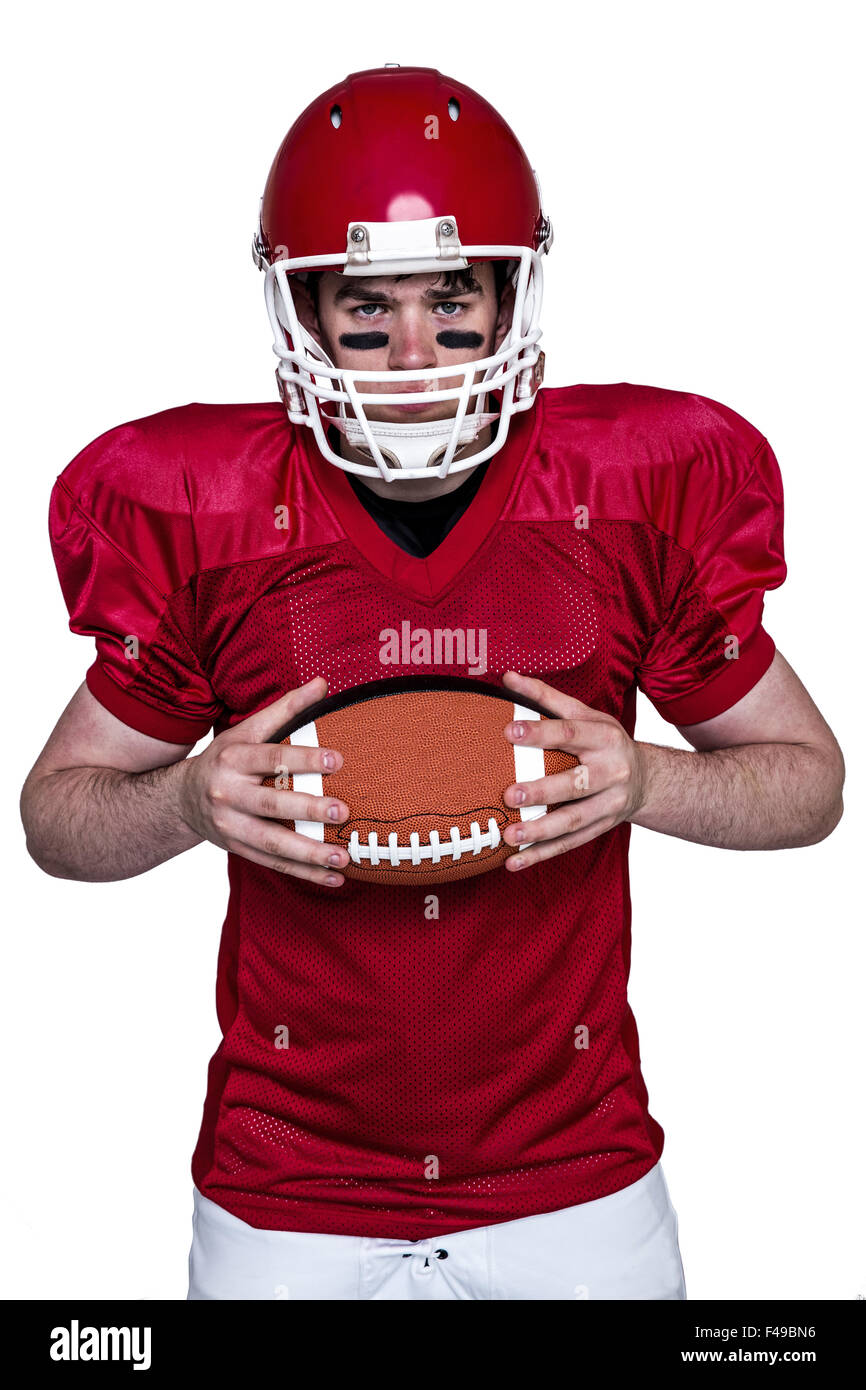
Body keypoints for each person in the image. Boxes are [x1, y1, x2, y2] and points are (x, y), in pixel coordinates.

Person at [20, 65, 844, 1301]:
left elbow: (812, 785)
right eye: (367, 307)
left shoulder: (618, 501)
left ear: (511, 291)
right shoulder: (214, 517)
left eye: (449, 301)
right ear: (303, 311)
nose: (412, 353)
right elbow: (53, 816)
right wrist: (187, 803)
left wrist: (646, 782)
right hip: (288, 1183)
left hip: (572, 1175)